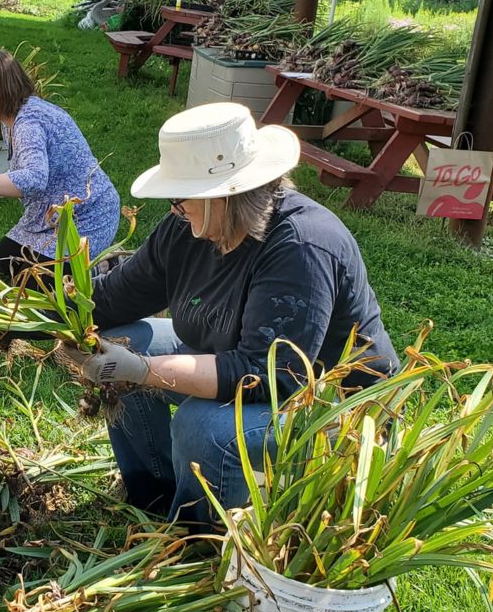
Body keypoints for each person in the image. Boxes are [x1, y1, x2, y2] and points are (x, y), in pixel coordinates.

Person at [60, 102, 399, 528]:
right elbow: (115, 299)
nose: (172, 208)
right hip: (240, 365)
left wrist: (145, 371)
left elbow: (267, 376)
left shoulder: (301, 247)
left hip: (326, 404)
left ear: (224, 195)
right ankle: (155, 497)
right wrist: (51, 320)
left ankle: (203, 534)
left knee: (203, 427)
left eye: (180, 196)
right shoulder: (186, 229)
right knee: (125, 338)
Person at [0, 50, 120, 284]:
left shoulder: (28, 122)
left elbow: (34, 177)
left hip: (86, 217)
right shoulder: (10, 118)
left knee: (34, 285)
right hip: (47, 216)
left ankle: (105, 268)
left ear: (10, 85)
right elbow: (26, 167)